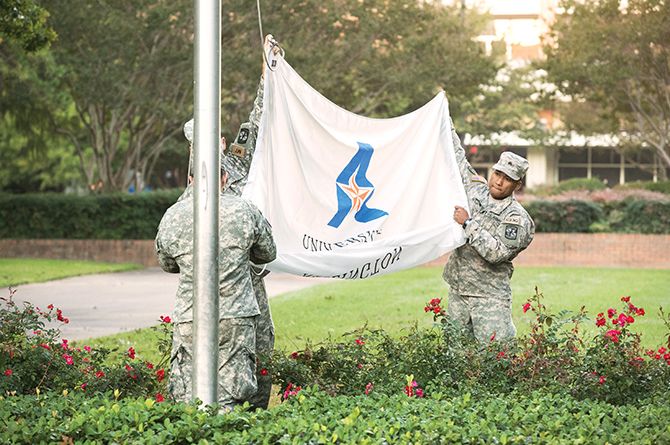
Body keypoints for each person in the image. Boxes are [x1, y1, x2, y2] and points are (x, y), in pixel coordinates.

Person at [176, 35, 278, 409]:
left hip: (247, 283)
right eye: (199, 141)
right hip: (207, 286)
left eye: (214, 137)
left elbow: (257, 123)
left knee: (262, 348)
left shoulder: (235, 164)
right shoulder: (192, 188)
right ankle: (208, 415)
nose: (213, 143)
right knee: (205, 358)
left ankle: (255, 415)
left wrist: (267, 76)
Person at [155, 157, 276, 411]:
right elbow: (268, 252)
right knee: (232, 393)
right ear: (224, 178)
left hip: (190, 315)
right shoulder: (245, 210)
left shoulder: (173, 215)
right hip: (236, 316)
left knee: (188, 393)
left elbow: (167, 264)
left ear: (190, 181)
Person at [443, 120, 535, 343]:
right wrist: (445, 118)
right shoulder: (475, 188)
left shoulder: (517, 218)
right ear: (492, 171)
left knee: (495, 359)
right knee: (454, 358)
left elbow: (497, 253)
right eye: (497, 174)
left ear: (517, 185)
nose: (499, 182)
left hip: (489, 297)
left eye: (508, 179)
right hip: (459, 291)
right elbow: (456, 156)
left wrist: (468, 224)